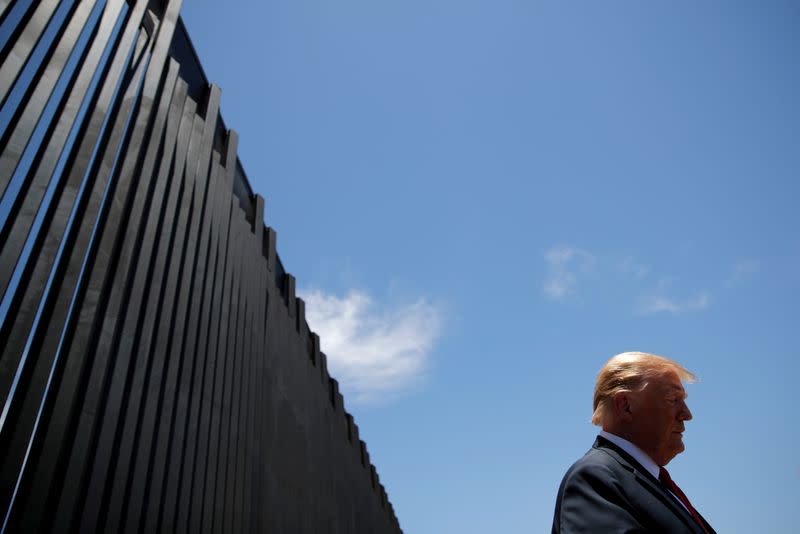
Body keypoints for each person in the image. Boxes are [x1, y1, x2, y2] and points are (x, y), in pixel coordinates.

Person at [551, 352, 715, 533]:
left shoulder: (648, 482)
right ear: (625, 406)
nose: (687, 414)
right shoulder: (595, 477)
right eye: (673, 400)